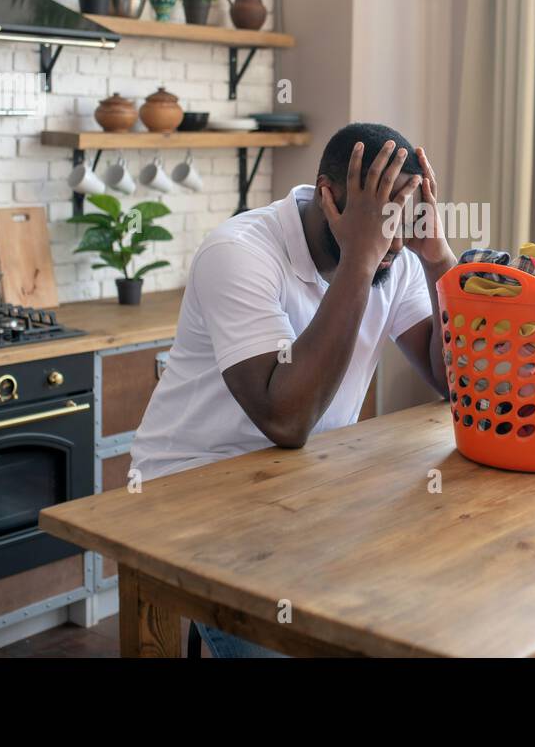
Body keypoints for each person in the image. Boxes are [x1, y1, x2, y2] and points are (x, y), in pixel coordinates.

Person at [128, 123, 457, 657]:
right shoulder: (238, 253)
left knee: (422, 606)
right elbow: (287, 420)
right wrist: (359, 259)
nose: (395, 237)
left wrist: (440, 258)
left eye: (405, 216)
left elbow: (453, 382)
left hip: (302, 487)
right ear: (329, 197)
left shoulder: (396, 260)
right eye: (381, 217)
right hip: (190, 494)